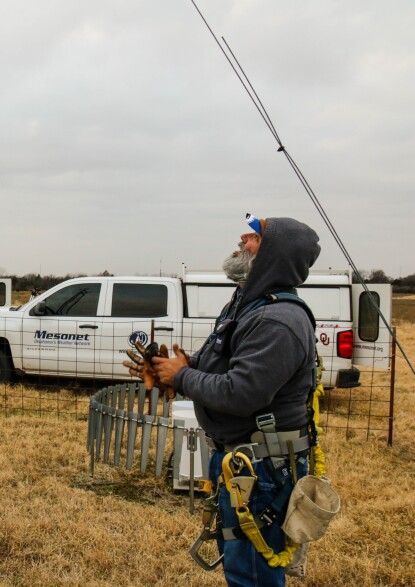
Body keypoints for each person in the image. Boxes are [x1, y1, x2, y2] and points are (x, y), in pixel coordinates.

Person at [152, 214, 320, 587]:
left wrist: (181, 376)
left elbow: (241, 393)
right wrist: (178, 369)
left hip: (261, 471)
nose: (242, 241)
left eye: (254, 238)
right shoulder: (247, 304)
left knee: (253, 576)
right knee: (241, 566)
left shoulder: (278, 319)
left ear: (275, 254)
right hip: (240, 463)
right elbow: (221, 365)